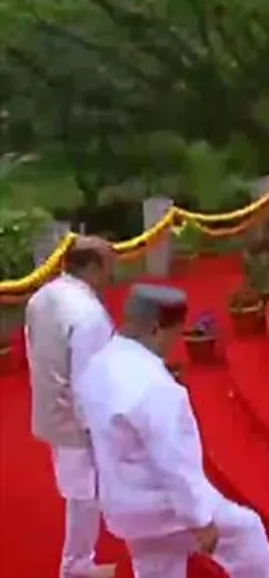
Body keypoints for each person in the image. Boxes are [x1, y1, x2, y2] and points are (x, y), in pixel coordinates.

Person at [74, 284, 269, 578]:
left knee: (156, 569)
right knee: (247, 534)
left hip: (123, 505)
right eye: (175, 334)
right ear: (157, 329)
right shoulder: (155, 386)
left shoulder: (97, 365)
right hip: (163, 509)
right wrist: (200, 519)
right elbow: (173, 463)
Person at [25, 235, 118, 578]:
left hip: (50, 408)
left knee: (78, 491)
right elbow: (88, 380)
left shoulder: (41, 297)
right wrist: (100, 429)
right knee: (85, 495)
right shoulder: (88, 314)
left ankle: (79, 562)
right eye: (109, 267)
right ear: (91, 267)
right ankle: (76, 566)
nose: (113, 276)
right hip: (78, 422)